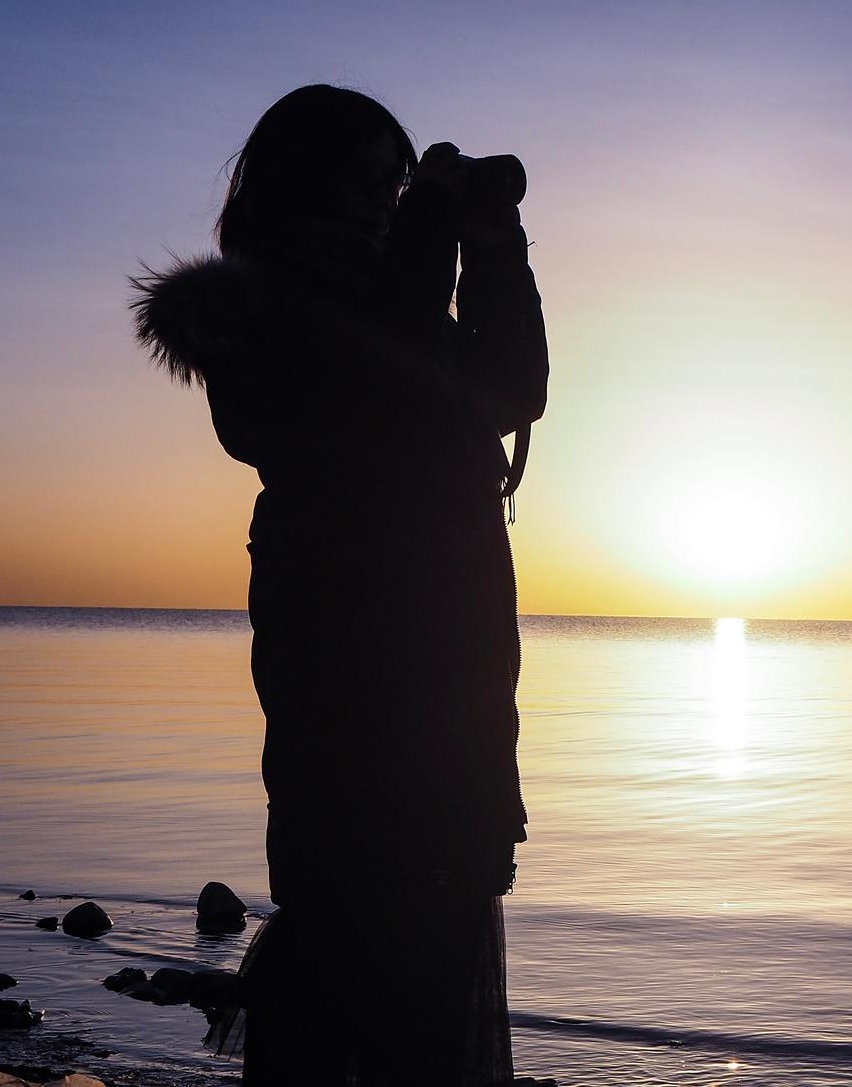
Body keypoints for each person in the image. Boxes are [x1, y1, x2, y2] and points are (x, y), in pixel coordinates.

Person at [129, 84, 548, 1085]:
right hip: (353, 667)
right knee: (365, 924)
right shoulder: (265, 312)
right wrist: (431, 227)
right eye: (361, 180)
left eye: (392, 181)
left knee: (438, 919)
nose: (381, 200)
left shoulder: (397, 298)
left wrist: (493, 246)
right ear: (296, 187)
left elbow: (513, 391)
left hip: (457, 674)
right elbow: (375, 379)